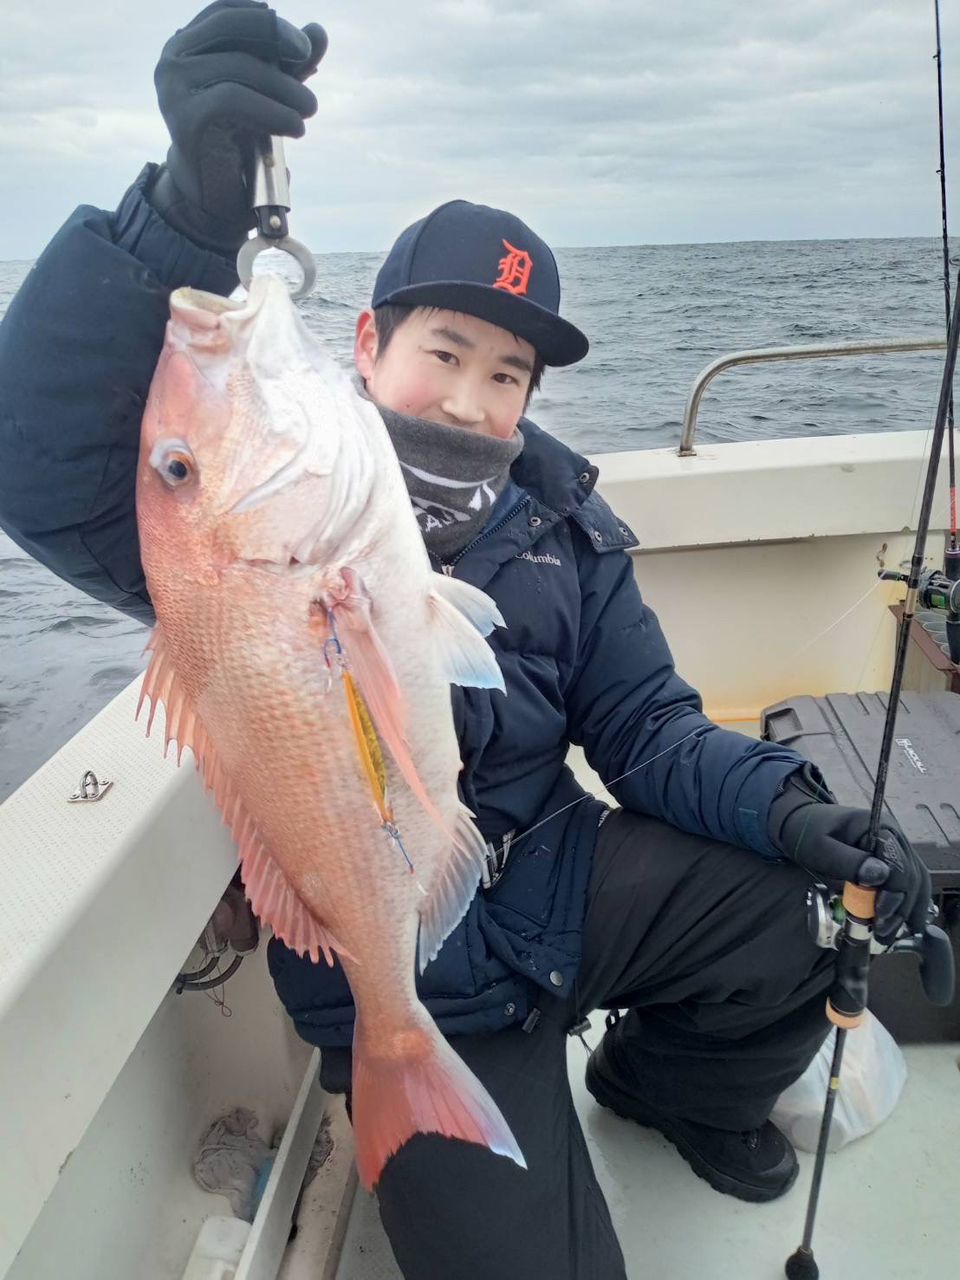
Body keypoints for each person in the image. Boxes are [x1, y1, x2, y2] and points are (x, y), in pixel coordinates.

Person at [0, 5, 933, 1277]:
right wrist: (177, 218)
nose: (472, 396)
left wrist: (795, 813)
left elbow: (650, 729)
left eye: (509, 373)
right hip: (402, 968)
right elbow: (40, 466)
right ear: (367, 344)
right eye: (444, 349)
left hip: (554, 881)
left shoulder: (561, 526)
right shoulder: (236, 534)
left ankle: (671, 1087)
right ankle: (415, 1080)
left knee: (804, 912)